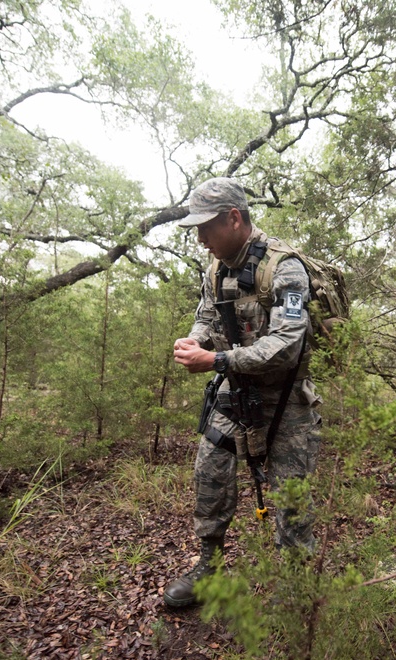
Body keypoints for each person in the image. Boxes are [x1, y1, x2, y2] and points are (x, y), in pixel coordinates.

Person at [165, 177, 322, 608]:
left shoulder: (285, 268)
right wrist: (196, 340)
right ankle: (208, 567)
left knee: (291, 495)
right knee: (209, 472)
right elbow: (205, 314)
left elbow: (287, 346)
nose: (199, 240)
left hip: (285, 400)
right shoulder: (216, 268)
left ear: (234, 218)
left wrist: (216, 361)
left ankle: (293, 585)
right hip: (235, 392)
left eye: (205, 228)